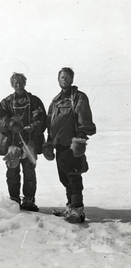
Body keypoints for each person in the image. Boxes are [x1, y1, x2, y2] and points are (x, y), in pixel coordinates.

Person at [45, 67, 96, 223]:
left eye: (67, 77)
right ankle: (70, 206)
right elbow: (50, 123)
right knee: (64, 177)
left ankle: (78, 209)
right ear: (58, 79)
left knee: (73, 175)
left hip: (73, 145)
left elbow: (84, 119)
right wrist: (49, 142)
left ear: (72, 79)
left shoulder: (79, 97)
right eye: (62, 77)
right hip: (59, 145)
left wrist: (80, 139)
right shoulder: (56, 100)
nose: (64, 79)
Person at [0, 72, 47, 211]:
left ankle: (29, 200)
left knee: (29, 172)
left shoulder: (35, 101)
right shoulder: (6, 102)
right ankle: (14, 200)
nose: (18, 85)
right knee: (12, 173)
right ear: (12, 85)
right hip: (12, 143)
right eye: (15, 83)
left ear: (25, 83)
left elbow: (43, 119)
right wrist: (10, 124)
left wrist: (34, 126)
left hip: (29, 143)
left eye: (20, 82)